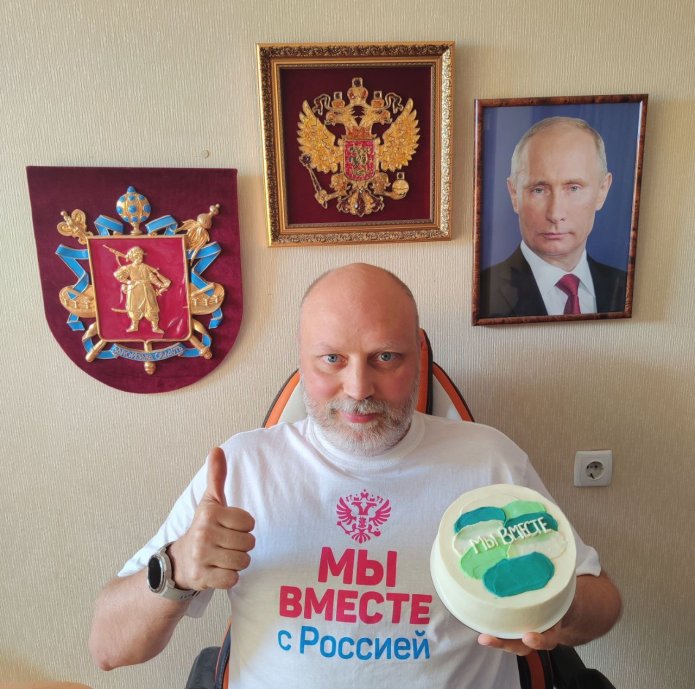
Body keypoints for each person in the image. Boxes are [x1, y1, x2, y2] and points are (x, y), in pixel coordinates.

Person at [89, 263, 621, 687]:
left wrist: (554, 610)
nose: (359, 388)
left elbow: (604, 603)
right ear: (302, 360)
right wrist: (177, 567)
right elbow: (108, 648)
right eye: (332, 359)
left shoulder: (488, 460)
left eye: (385, 357)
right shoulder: (241, 469)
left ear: (418, 358)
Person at [479, 117, 627, 318]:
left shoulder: (623, 287)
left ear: (602, 190)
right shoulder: (481, 291)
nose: (555, 214)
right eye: (539, 190)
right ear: (514, 194)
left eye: (573, 188)